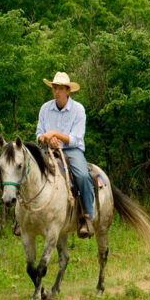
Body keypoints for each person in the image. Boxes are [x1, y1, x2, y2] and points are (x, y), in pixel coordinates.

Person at [36, 71, 96, 238]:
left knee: (83, 176)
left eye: (60, 88)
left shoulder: (78, 110)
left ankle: (87, 217)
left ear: (68, 90)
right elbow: (39, 133)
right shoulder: (45, 109)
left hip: (72, 150)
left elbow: (76, 138)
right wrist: (46, 139)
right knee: (28, 170)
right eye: (54, 88)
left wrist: (55, 134)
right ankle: (22, 217)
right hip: (48, 150)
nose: (57, 91)